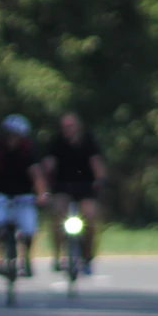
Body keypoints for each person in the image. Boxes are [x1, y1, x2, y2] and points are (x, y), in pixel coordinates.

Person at [0, 114, 49, 277]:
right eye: (9, 134)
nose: (12, 138)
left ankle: (27, 258)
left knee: (29, 230)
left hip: (23, 195)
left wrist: (42, 194)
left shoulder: (28, 150)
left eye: (16, 135)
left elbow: (36, 174)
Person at [41, 112, 107, 275]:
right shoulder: (56, 142)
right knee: (57, 213)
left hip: (85, 187)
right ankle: (57, 255)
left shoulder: (88, 141)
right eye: (64, 127)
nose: (67, 129)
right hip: (62, 187)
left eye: (70, 126)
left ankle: (88, 256)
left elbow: (97, 163)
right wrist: (47, 173)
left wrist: (100, 180)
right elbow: (48, 163)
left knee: (90, 217)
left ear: (78, 126)